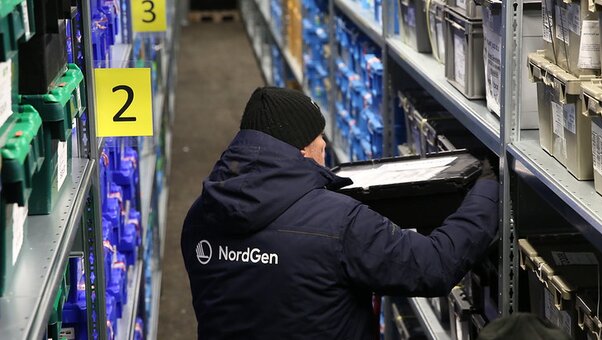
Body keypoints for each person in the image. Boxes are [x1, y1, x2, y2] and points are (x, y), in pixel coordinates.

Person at [181, 87, 499, 339]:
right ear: (303, 149)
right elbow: (433, 265)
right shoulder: (340, 223)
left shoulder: (201, 213)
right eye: (320, 137)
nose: (325, 145)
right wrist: (486, 190)